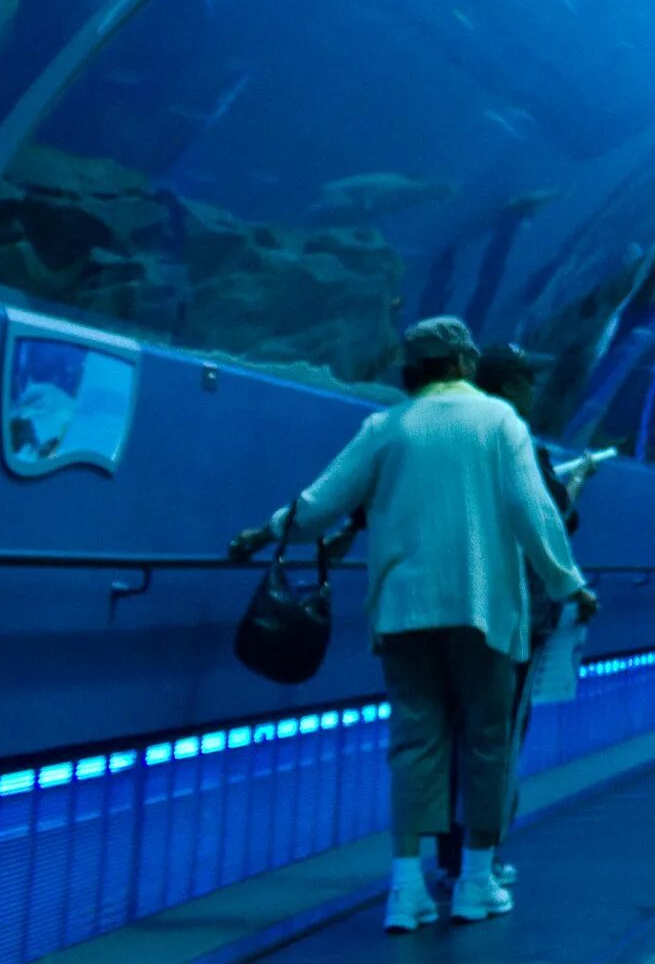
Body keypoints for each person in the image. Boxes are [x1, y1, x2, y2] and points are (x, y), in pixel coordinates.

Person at [228, 316, 593, 935]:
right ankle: (476, 882)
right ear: (464, 363)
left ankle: (406, 889)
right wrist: (569, 583)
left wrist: (265, 532)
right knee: (486, 741)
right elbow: (534, 511)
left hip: (404, 610)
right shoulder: (500, 424)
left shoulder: (385, 426)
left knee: (413, 742)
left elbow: (319, 503)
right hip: (484, 610)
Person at [463, 343, 598, 885]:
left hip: (451, 609)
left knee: (453, 735)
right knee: (499, 738)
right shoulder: (518, 440)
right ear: (509, 384)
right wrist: (573, 491)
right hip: (514, 614)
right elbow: (548, 520)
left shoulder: (451, 437)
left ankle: (449, 861)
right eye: (527, 378)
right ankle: (484, 859)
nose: (535, 388)